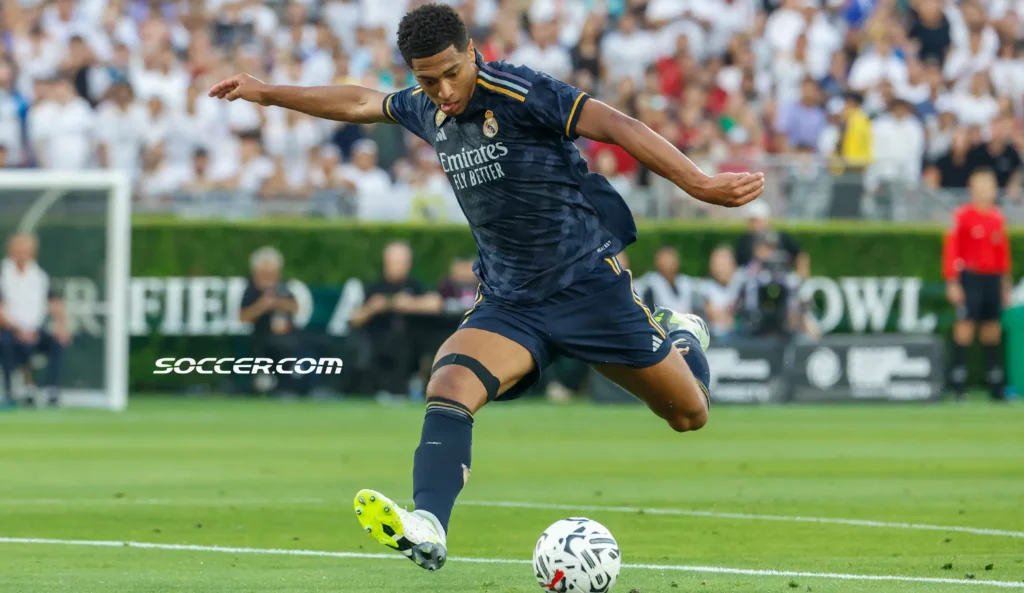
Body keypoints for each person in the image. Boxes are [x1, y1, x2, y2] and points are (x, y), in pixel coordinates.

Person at [210, 3, 763, 573]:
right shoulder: (426, 107)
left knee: (689, 414)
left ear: (472, 52)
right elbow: (357, 101)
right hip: (510, 301)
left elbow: (616, 126)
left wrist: (698, 182)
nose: (444, 90)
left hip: (587, 288)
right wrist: (268, 92)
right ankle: (429, 524)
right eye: (428, 79)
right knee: (449, 379)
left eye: (452, 72)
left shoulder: (520, 91)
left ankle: (683, 333)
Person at [943, 169, 1012, 402]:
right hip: (970, 277)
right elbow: (952, 250)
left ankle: (995, 383)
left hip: (992, 278)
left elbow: (1002, 253)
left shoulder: (997, 218)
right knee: (965, 326)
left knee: (991, 329)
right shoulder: (962, 216)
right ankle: (958, 382)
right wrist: (952, 281)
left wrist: (1005, 284)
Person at [0, 233, 70, 407]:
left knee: (56, 343)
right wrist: (18, 330)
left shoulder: (39, 274)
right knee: (6, 344)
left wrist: (62, 327)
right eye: (19, 251)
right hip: (8, 330)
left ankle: (51, 391)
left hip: (34, 330)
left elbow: (54, 303)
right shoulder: (3, 274)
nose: (22, 254)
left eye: (26, 251)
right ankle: (10, 392)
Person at [238, 246, 302, 397]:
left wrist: (277, 303)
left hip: (286, 336)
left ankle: (287, 387)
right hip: (261, 335)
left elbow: (295, 308)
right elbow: (243, 317)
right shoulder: (251, 290)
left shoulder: (283, 288)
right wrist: (261, 306)